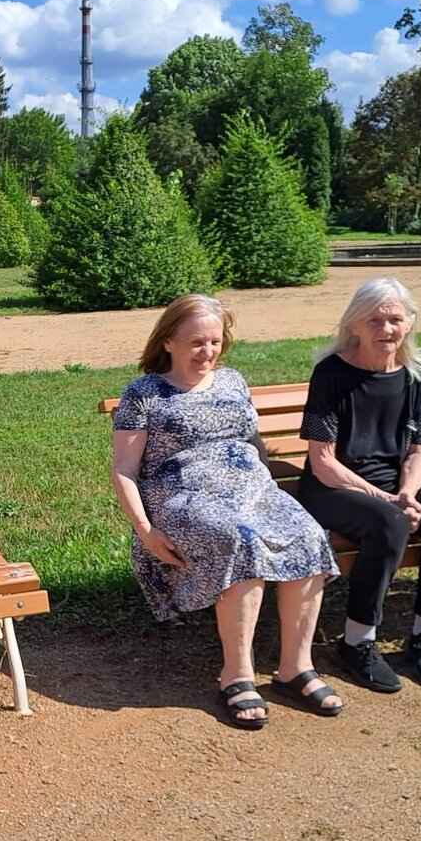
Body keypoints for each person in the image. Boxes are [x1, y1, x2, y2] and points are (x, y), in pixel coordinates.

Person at [110, 294, 343, 729]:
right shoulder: (144, 393)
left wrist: (267, 490)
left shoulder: (233, 380)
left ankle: (295, 667)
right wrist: (144, 529)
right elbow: (123, 468)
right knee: (241, 541)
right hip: (183, 496)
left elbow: (252, 443)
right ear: (168, 342)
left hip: (250, 491)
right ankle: (236, 673)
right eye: (196, 342)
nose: (208, 351)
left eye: (215, 341)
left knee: (308, 534)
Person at [296, 278, 421, 692]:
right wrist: (388, 500)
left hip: (394, 483)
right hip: (333, 487)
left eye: (395, 319)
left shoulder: (415, 375)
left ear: (410, 323)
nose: (386, 329)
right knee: (389, 523)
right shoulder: (331, 373)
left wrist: (407, 493)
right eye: (374, 320)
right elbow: (322, 461)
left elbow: (419, 449)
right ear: (354, 324)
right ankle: (356, 643)